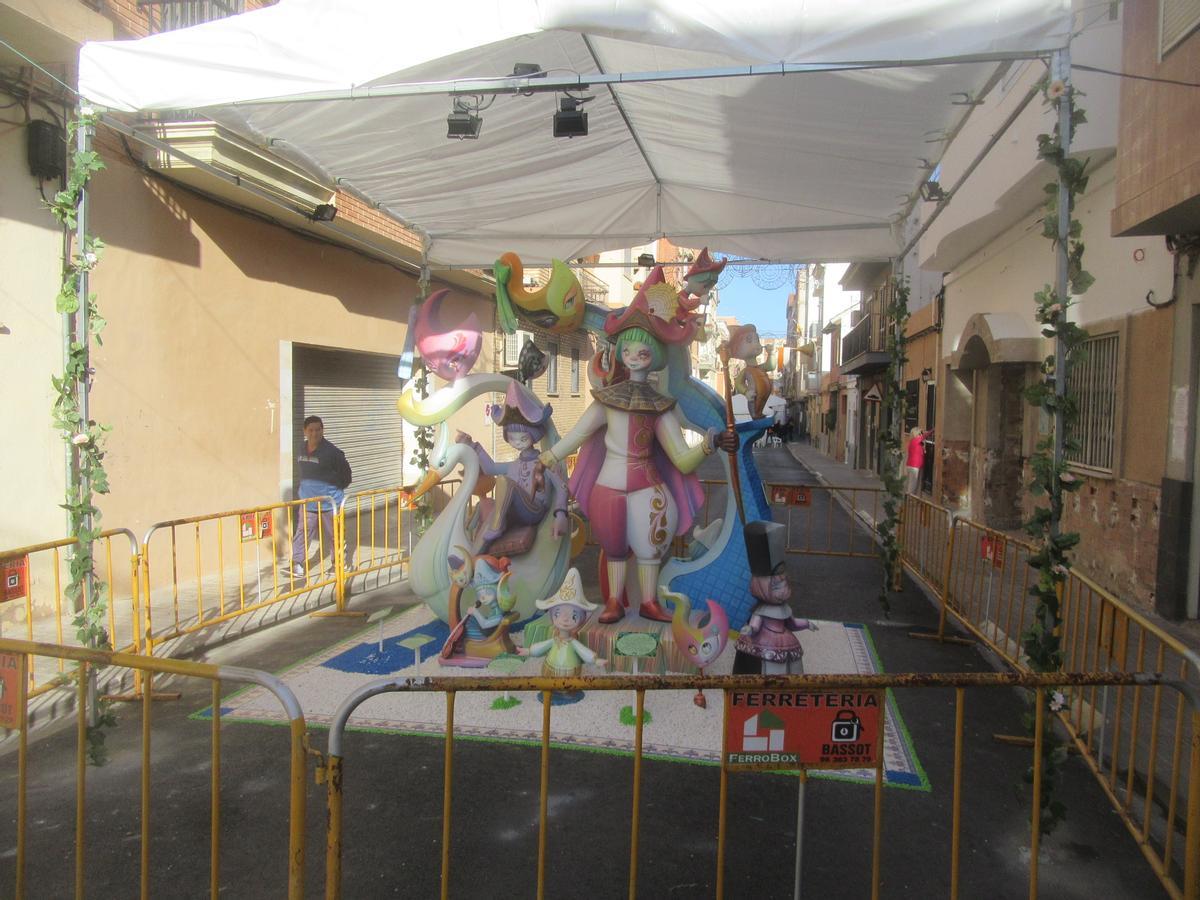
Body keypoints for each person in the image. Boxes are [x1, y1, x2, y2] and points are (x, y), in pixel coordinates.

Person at [539, 279, 738, 624]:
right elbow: (578, 434)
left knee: (649, 550)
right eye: (627, 348)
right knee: (613, 548)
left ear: (656, 356)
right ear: (619, 353)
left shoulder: (661, 408)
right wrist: (548, 458)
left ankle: (648, 601)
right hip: (609, 486)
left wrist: (709, 444)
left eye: (642, 349)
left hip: (649, 487)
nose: (633, 355)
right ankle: (614, 601)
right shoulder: (607, 401)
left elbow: (680, 457)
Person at [732, 520, 816, 674]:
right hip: (764, 643)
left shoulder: (785, 609)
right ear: (761, 588)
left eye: (786, 585)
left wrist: (807, 624)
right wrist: (750, 629)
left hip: (785, 640)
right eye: (777, 587)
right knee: (768, 666)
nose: (784, 591)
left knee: (793, 665)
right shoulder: (761, 611)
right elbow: (756, 626)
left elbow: (792, 623)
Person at [284, 415, 353, 578]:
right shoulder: (301, 448)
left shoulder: (332, 452)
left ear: (323, 430)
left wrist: (333, 490)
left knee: (335, 534)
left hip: (331, 503)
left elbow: (346, 475)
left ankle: (339, 565)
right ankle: (297, 564)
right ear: (305, 432)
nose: (315, 433)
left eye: (318, 430)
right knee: (302, 532)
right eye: (311, 430)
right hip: (308, 501)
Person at [905, 426, 934, 495]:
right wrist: (933, 430)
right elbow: (925, 435)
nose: (921, 434)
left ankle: (912, 502)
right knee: (912, 487)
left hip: (915, 466)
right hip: (914, 467)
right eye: (920, 433)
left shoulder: (915, 442)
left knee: (916, 486)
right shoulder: (916, 440)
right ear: (916, 434)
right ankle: (909, 503)